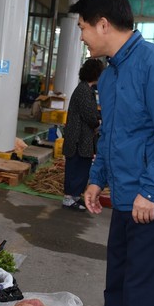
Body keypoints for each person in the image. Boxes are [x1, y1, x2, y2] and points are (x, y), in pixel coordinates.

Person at [71, 0, 154, 306]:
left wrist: (151, 190)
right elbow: (112, 135)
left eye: (82, 27)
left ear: (102, 25)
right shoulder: (110, 75)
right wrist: (97, 180)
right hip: (129, 198)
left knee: (145, 297)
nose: (81, 36)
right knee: (119, 287)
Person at [61, 58, 104, 211]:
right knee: (77, 168)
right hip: (79, 139)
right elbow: (89, 116)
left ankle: (74, 197)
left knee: (80, 168)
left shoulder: (85, 89)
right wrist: (98, 123)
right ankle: (69, 198)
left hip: (80, 138)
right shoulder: (84, 91)